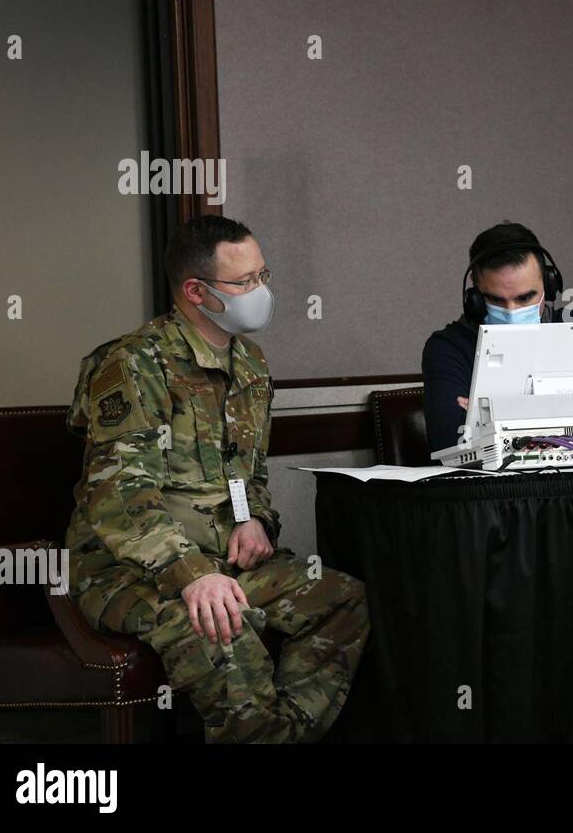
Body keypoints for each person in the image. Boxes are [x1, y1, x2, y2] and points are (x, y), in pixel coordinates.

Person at [65, 215, 369, 743]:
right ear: (196, 292)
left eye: (262, 275)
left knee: (340, 598)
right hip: (127, 571)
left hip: (223, 560)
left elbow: (248, 472)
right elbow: (119, 497)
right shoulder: (134, 363)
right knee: (225, 627)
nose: (261, 291)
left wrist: (256, 523)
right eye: (244, 282)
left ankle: (279, 736)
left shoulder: (250, 363)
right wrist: (190, 576)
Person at [422, 221, 568, 453]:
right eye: (496, 300)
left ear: (549, 286)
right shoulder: (447, 348)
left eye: (524, 298)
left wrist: (488, 413)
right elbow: (450, 440)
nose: (511, 312)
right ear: (475, 296)